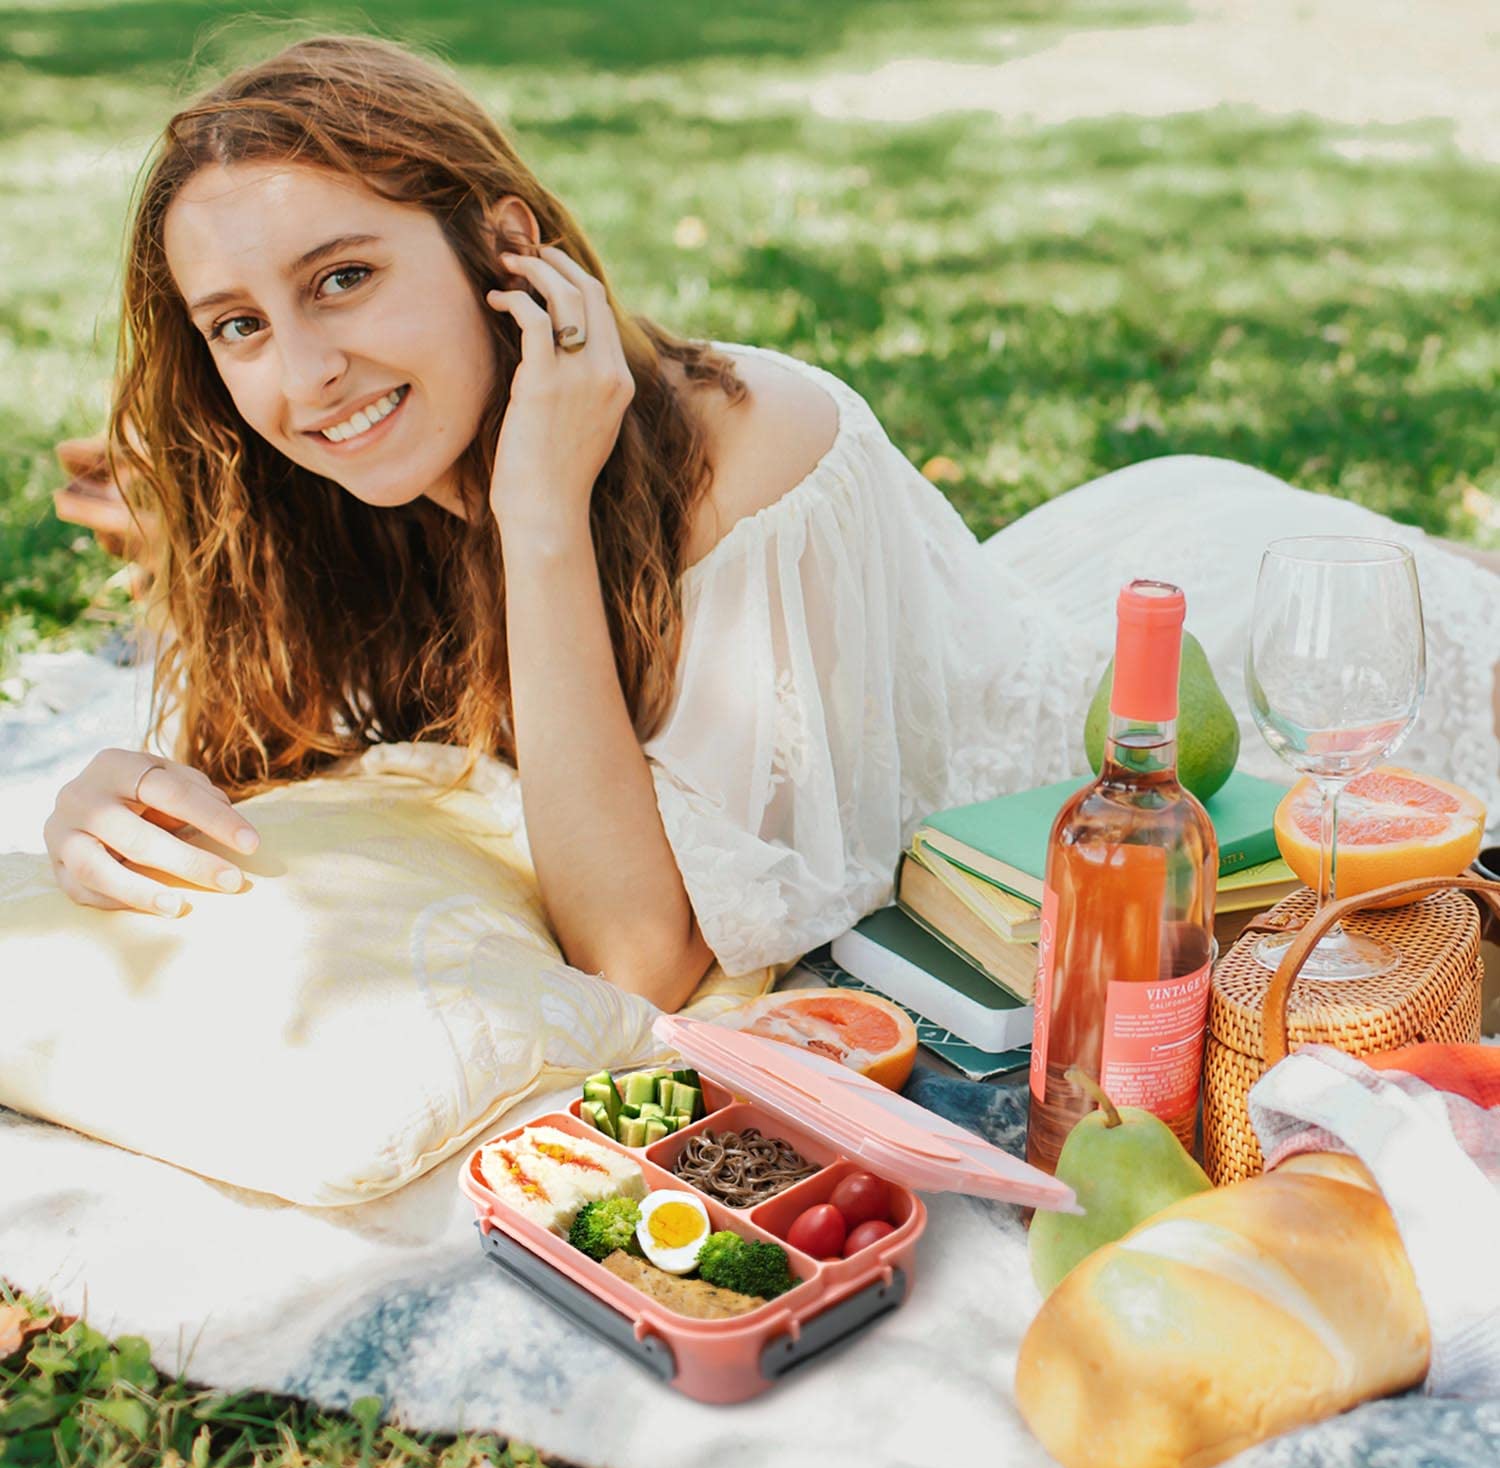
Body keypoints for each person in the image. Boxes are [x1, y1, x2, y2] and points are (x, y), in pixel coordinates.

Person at [38, 34, 1500, 1014]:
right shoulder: (336, 483)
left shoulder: (746, 455)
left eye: (344, 278)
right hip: (1080, 562)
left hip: (1212, 681)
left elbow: (642, 955)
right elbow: (296, 748)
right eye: (239, 324)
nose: (301, 375)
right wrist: (113, 787)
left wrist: (539, 517)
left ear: (502, 245)